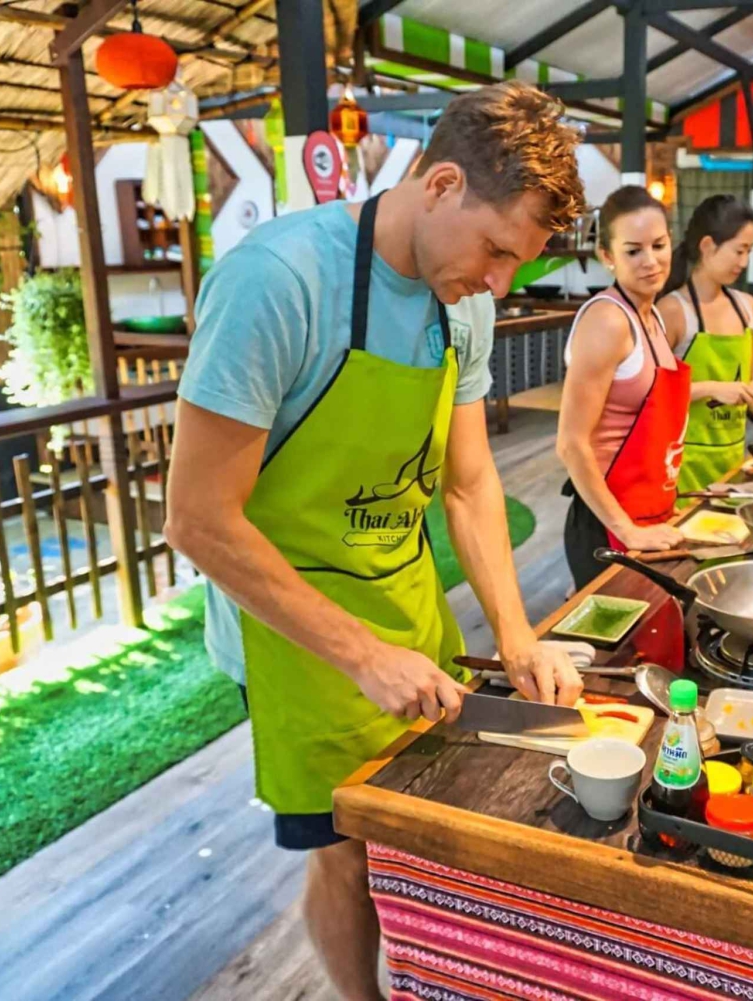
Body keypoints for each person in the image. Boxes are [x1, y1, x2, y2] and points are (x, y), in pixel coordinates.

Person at [164, 82, 588, 1001]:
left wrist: (516, 635)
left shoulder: (461, 302)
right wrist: (361, 654)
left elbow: (471, 483)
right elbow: (198, 518)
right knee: (349, 853)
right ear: (440, 184)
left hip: (402, 601)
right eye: (496, 251)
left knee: (422, 830)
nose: (500, 283)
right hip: (296, 638)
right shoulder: (275, 283)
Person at [557, 185, 687, 588]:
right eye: (633, 251)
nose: (651, 261)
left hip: (650, 512)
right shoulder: (608, 321)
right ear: (607, 257)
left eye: (659, 245)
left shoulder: (654, 319)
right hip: (607, 524)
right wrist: (626, 529)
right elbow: (571, 443)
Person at [658, 194, 753, 495]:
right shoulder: (673, 311)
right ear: (707, 246)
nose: (744, 262)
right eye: (738, 251)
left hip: (731, 465)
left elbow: (750, 385)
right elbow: (653, 395)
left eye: (750, 251)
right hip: (678, 469)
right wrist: (712, 388)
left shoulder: (747, 308)